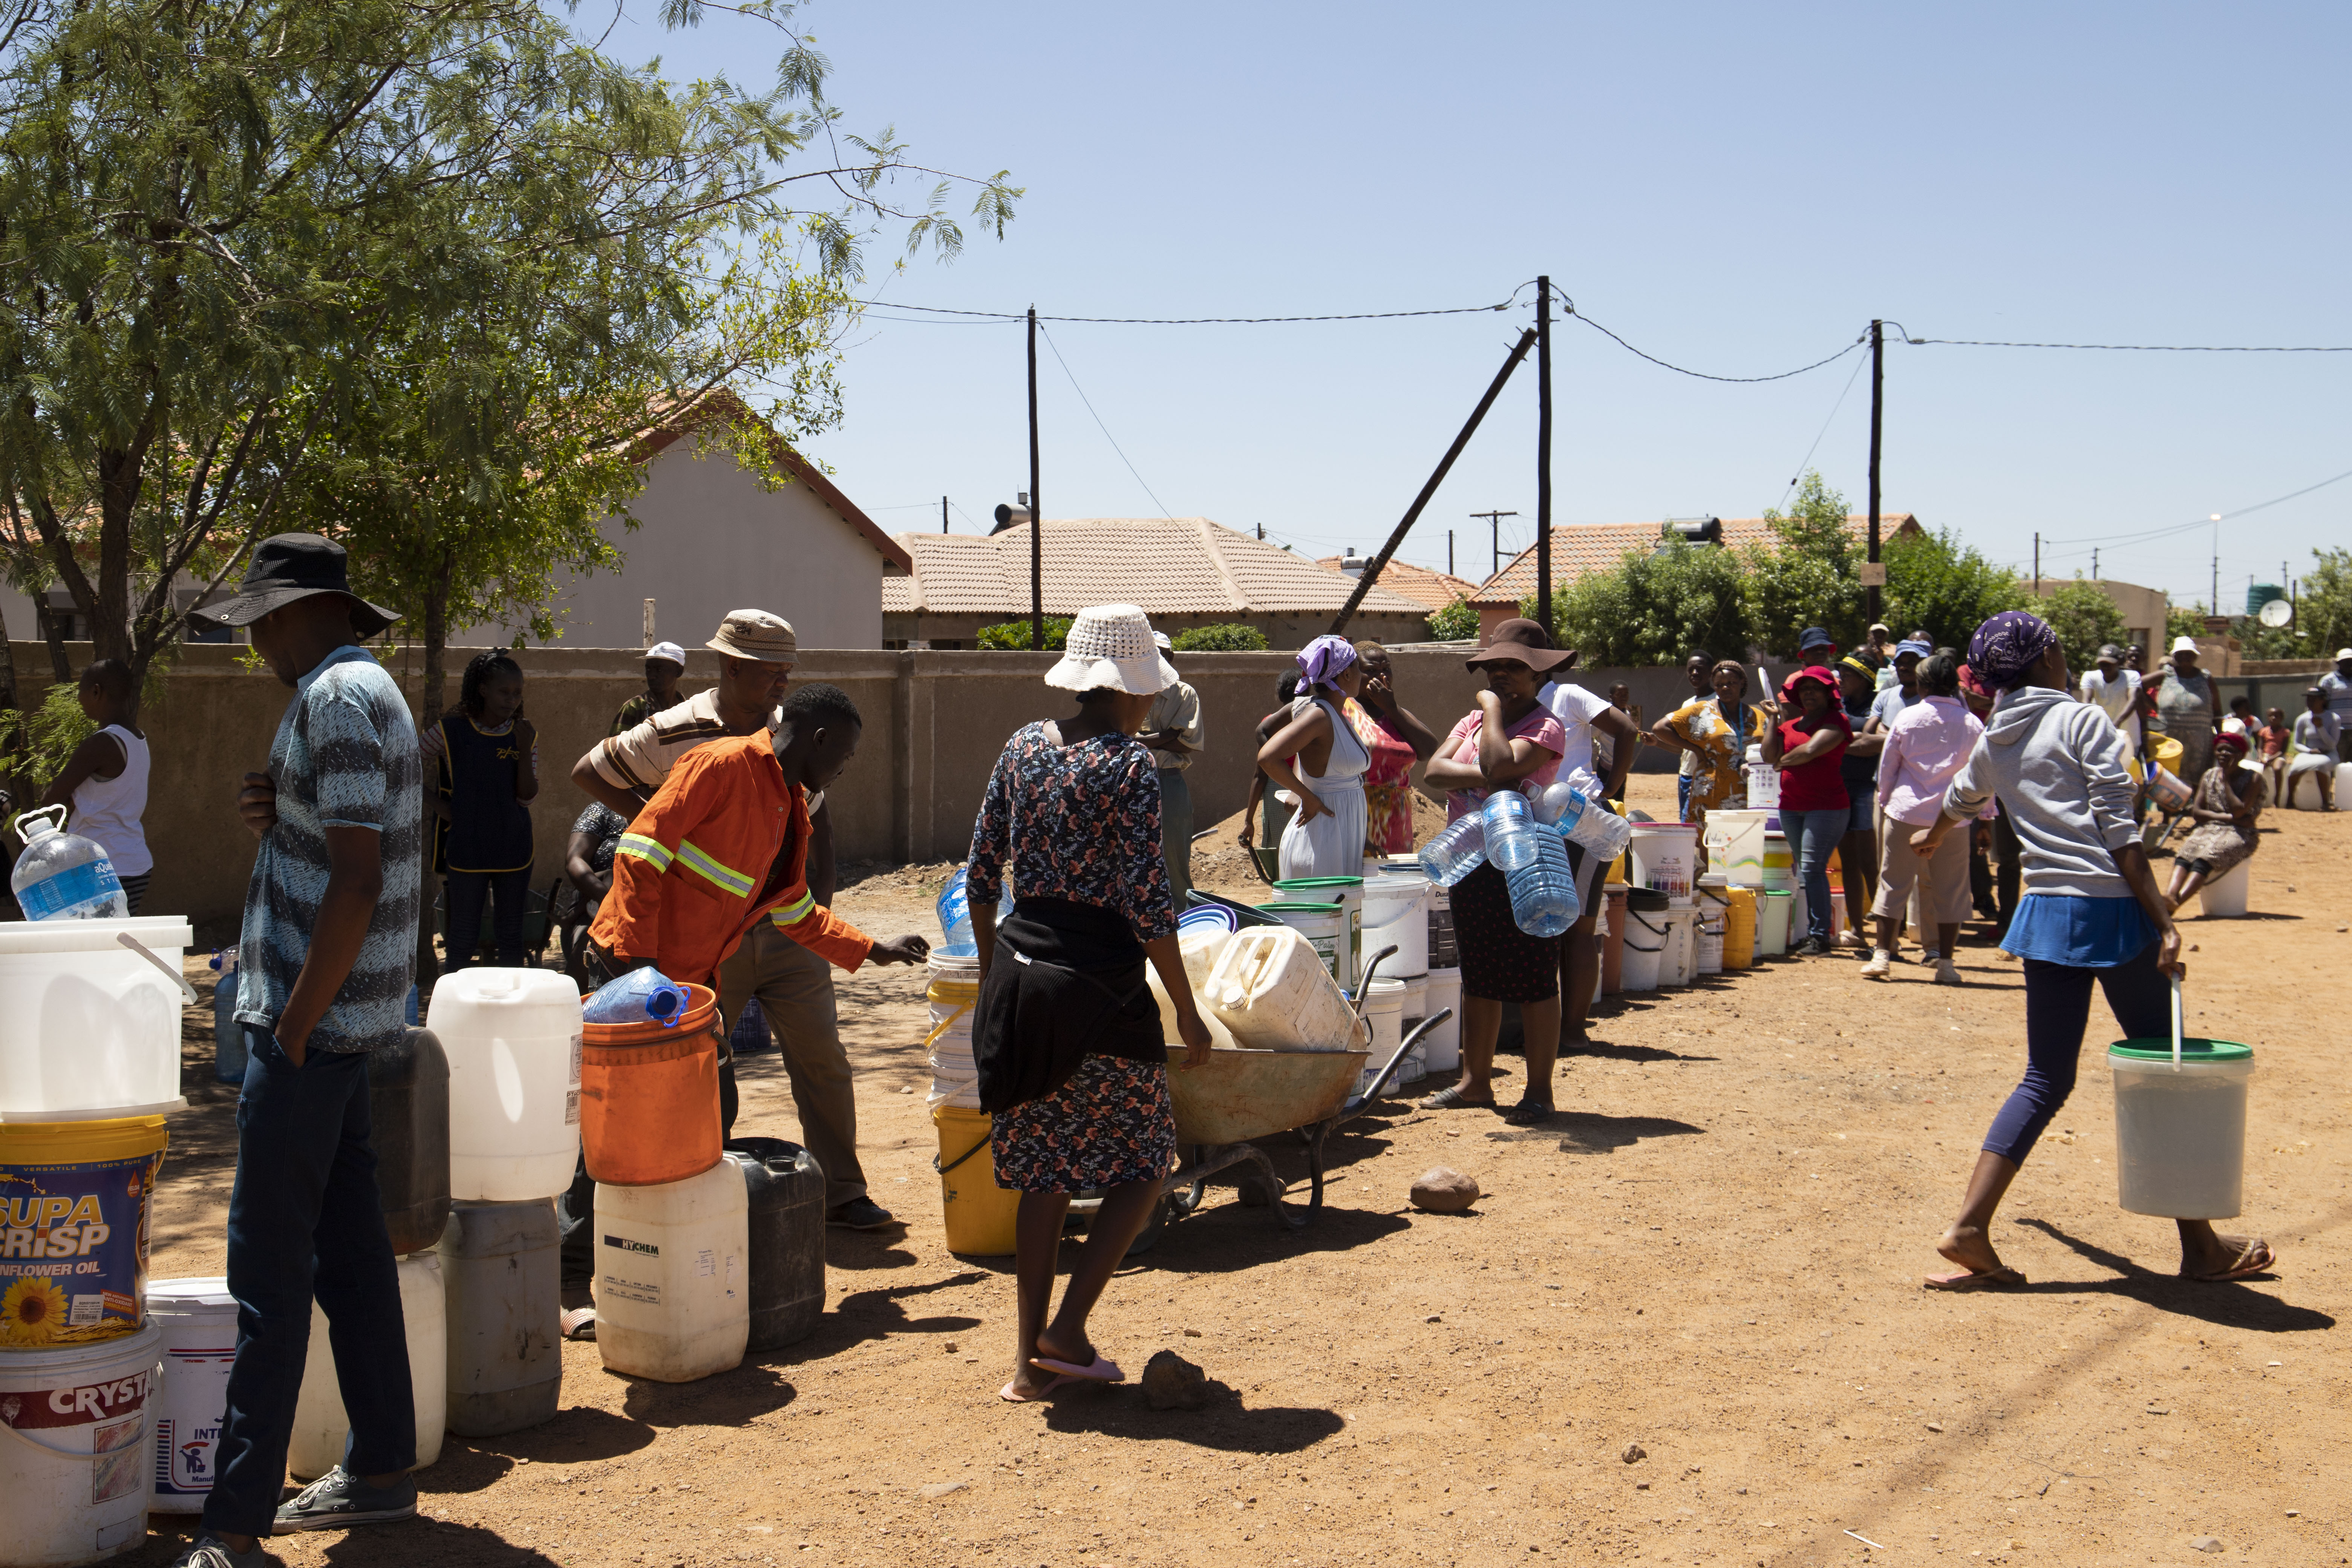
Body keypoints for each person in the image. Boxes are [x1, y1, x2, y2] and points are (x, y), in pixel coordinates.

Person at [170, 534, 423, 1565]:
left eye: (256, 626)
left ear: (286, 614)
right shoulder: (365, 692)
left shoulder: (330, 698)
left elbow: (359, 881)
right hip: (349, 1022)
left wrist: (296, 1020)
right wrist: (273, 819)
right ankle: (381, 1469)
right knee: (350, 1252)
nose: (253, 646)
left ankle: (232, 1526)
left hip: (314, 1028)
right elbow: (340, 844)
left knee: (266, 1273)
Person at [1909, 611, 2273, 1291]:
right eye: (2058, 647)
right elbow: (2121, 837)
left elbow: (1963, 796)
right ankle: (2201, 1249)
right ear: (2045, 662)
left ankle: (1969, 1226)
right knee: (2169, 1069)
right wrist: (2163, 921)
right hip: (2109, 911)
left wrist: (1934, 835)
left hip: (2045, 914)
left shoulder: (1997, 737)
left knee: (2045, 1078)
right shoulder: (2082, 723)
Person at [568, 682, 929, 1338]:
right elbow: (640, 852)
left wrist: (870, 947)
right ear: (817, 739)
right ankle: (582, 1259)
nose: (846, 766)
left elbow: (789, 908)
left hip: (684, 987)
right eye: (844, 754)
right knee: (621, 1123)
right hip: (633, 971)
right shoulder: (720, 764)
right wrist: (641, 967)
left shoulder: (791, 806)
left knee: (708, 1114)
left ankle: (655, 1252)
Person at [964, 606, 1211, 1403]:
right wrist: (1188, 1006)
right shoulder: (1129, 766)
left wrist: (991, 969)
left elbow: (979, 869)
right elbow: (1148, 902)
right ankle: (1066, 1330)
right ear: (1133, 689)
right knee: (1146, 1160)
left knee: (1043, 1172)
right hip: (1099, 987)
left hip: (1022, 977)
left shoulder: (1024, 743)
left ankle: (1027, 1366)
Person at [1416, 619, 1570, 1123]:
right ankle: (1476, 1082)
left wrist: (1493, 713)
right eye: (1495, 667)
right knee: (1479, 973)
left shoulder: (1545, 726)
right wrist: (1483, 759)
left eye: (1515, 669)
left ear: (1538, 676)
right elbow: (1434, 772)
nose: (1501, 676)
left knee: (1534, 974)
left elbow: (1504, 765)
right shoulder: (1471, 723)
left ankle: (1540, 1091)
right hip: (1469, 858)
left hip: (1527, 861)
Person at [1537, 646, 1638, 1041]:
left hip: (1580, 819)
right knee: (1546, 924)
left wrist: (1610, 788)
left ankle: (1574, 1030)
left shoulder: (1567, 696)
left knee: (1578, 927)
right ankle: (1548, 1024)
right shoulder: (1518, 708)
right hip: (1540, 819)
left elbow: (1626, 729)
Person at [1863, 649, 1981, 984]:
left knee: (1893, 882)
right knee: (1951, 889)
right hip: (1953, 818)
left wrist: (1885, 802)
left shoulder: (1908, 718)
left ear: (1924, 685)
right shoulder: (1973, 724)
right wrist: (1985, 816)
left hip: (1906, 812)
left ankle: (1882, 955)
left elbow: (1889, 767)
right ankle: (1945, 963)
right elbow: (1982, 775)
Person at [418, 651, 538, 971]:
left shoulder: (525, 735)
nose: (512, 700)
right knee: (462, 937)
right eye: (504, 692)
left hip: (513, 846)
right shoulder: (451, 730)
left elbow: (526, 798)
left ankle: (511, 1013)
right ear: (483, 690)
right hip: (467, 847)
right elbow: (406, 764)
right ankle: (451, 1016)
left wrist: (524, 749)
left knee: (511, 936)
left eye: (518, 693)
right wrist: (438, 805)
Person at [37, 658, 152, 913]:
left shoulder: (101, 744)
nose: (79, 698)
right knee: (111, 945)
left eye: (81, 691)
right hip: (134, 863)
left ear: (96, 692)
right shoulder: (138, 739)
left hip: (101, 868)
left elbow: (50, 802)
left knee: (91, 947)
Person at [1257, 635, 1370, 880]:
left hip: (1338, 837)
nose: (1363, 675)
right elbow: (1268, 757)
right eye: (1358, 668)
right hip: (1321, 842)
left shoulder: (1337, 716)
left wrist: (1363, 836)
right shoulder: (1319, 715)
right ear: (1347, 675)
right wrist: (1306, 797)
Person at [1764, 665, 1851, 956]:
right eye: (1804, 689)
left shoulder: (1836, 722)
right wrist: (1773, 719)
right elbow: (1767, 755)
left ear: (1829, 693)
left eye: (1815, 688)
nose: (1809, 693)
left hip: (1826, 807)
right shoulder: (1788, 726)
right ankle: (1814, 934)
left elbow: (1811, 751)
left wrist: (1782, 762)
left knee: (1813, 869)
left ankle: (1820, 937)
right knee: (1807, 871)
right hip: (1791, 807)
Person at [1650, 660, 1764, 854]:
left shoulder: (1758, 716)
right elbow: (1660, 728)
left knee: (1743, 847)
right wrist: (1694, 749)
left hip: (1747, 791)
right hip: (1711, 788)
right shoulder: (1702, 710)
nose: (1725, 688)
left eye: (1731, 683)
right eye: (1719, 685)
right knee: (1711, 846)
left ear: (1742, 683)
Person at [1348, 640, 1440, 859]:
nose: (1382, 677)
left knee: (1395, 886)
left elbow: (1428, 750)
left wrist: (1391, 707)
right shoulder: (1345, 710)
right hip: (1359, 813)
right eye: (1371, 671)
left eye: (1386, 669)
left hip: (1397, 818)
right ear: (1352, 673)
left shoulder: (1395, 713)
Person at [2164, 733, 2265, 908]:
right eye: (2220, 750)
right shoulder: (2209, 776)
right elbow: (2197, 812)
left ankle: (2177, 903)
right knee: (2186, 853)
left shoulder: (2253, 779)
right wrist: (2229, 818)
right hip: (2209, 830)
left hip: (2242, 834)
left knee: (2206, 857)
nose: (2224, 754)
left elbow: (2239, 810)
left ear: (2240, 755)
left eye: (2230, 751)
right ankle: (2170, 896)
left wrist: (2226, 781)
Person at [1141, 632, 1204, 905]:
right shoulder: (1131, 691)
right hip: (1135, 781)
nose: (1158, 660)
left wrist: (1140, 741)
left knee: (1175, 861)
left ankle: (1182, 919)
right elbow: (1119, 736)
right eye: (1151, 654)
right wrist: (1167, 736)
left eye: (1163, 654)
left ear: (1171, 657)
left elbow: (1188, 744)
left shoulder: (1185, 694)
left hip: (1169, 783)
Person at [1831, 657, 1884, 946]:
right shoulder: (1838, 705)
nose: (1842, 680)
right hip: (1840, 788)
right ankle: (1858, 931)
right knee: (1849, 862)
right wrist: (1859, 740)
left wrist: (1838, 743)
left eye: (1848, 675)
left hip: (1866, 790)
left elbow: (1879, 743)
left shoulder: (1878, 705)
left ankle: (1887, 934)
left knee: (1870, 862)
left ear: (1865, 679)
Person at [1237, 672, 1305, 864]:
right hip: (1306, 791)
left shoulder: (1269, 724)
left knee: (1281, 857)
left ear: (1279, 696)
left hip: (1276, 795)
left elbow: (1260, 776)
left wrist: (1248, 821)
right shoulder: (1314, 721)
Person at [2149, 634, 2220, 788]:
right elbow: (2137, 686)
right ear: (2175, 656)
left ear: (2195, 657)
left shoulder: (2206, 678)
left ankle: (2195, 809)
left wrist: (2221, 738)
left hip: (2200, 741)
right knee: (2170, 777)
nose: (2185, 657)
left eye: (2189, 654)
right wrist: (2156, 706)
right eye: (2181, 654)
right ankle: (2170, 811)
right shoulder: (2166, 675)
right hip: (2171, 738)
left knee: (2198, 780)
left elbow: (2218, 711)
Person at [1667, 651, 1713, 821]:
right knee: (1686, 821)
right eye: (1691, 669)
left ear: (1711, 673)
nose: (1695, 673)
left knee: (1695, 822)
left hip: (1707, 774)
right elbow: (1682, 747)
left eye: (1700, 669)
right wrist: (1657, 743)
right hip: (1686, 774)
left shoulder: (1717, 702)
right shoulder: (1688, 704)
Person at [607, 640, 688, 735]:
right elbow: (616, 747)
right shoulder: (634, 708)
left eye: (659, 670)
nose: (652, 676)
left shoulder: (686, 710)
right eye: (649, 669)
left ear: (679, 672)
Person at [2283, 687, 2341, 810]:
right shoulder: (2302, 719)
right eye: (2308, 699)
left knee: (2321, 765)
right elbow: (2297, 744)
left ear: (2323, 701)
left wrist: (2320, 728)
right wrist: (2310, 751)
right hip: (2309, 753)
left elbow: (2332, 745)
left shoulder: (2334, 718)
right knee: (2295, 768)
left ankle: (2326, 802)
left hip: (2329, 754)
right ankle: (2290, 800)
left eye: (2313, 700)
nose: (2309, 702)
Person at [2321, 648, 2352, 761]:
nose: (2350, 664)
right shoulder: (2329, 680)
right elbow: (2322, 705)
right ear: (2339, 663)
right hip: (2338, 730)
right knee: (2339, 763)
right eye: (2346, 661)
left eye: (2351, 661)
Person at [2256, 705, 2292, 800]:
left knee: (2277, 768)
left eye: (2277, 716)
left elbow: (2283, 750)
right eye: (2271, 716)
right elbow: (2260, 748)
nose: (2273, 718)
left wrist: (2271, 759)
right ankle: (2257, 795)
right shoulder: (2263, 731)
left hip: (2278, 756)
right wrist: (2261, 758)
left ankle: (2278, 796)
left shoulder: (2285, 732)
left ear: (2282, 718)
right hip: (2265, 756)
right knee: (2256, 769)